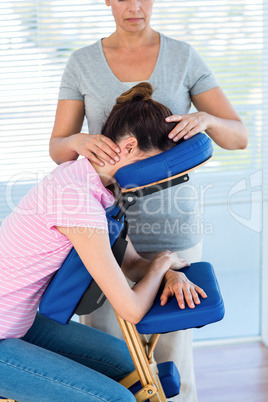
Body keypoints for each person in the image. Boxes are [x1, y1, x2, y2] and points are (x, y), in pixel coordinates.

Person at [49, 1, 248, 401]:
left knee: (171, 357)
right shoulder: (82, 62)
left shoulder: (182, 57)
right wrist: (76, 142)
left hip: (173, 228)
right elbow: (59, 149)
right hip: (103, 231)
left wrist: (206, 121)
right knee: (110, 354)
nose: (135, 6)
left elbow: (238, 137)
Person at [0, 83, 207, 402]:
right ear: (129, 147)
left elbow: (134, 263)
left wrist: (170, 273)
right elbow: (132, 308)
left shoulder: (93, 185)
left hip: (17, 322)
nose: (159, 179)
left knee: (134, 368)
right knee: (117, 398)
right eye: (157, 165)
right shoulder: (77, 201)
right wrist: (164, 261)